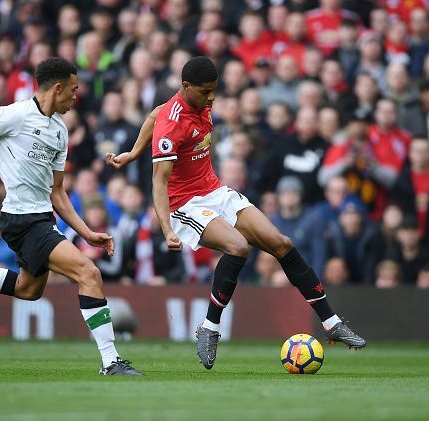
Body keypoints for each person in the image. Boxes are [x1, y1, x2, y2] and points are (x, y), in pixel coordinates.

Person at [107, 56, 366, 371]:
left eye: (214, 90)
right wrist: (167, 229)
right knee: (238, 247)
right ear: (186, 87)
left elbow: (153, 113)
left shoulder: (196, 103)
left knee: (281, 242)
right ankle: (210, 327)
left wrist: (132, 153)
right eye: (206, 92)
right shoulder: (172, 126)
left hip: (215, 191)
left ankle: (332, 323)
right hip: (184, 204)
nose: (212, 97)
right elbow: (158, 181)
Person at [0, 57, 141, 376]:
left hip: (41, 219)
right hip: (21, 219)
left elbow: (58, 192)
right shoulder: (15, 114)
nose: (77, 96)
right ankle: (110, 361)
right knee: (88, 274)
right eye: (73, 90)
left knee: (28, 290)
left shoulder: (60, 131)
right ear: (57, 88)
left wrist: (87, 232)